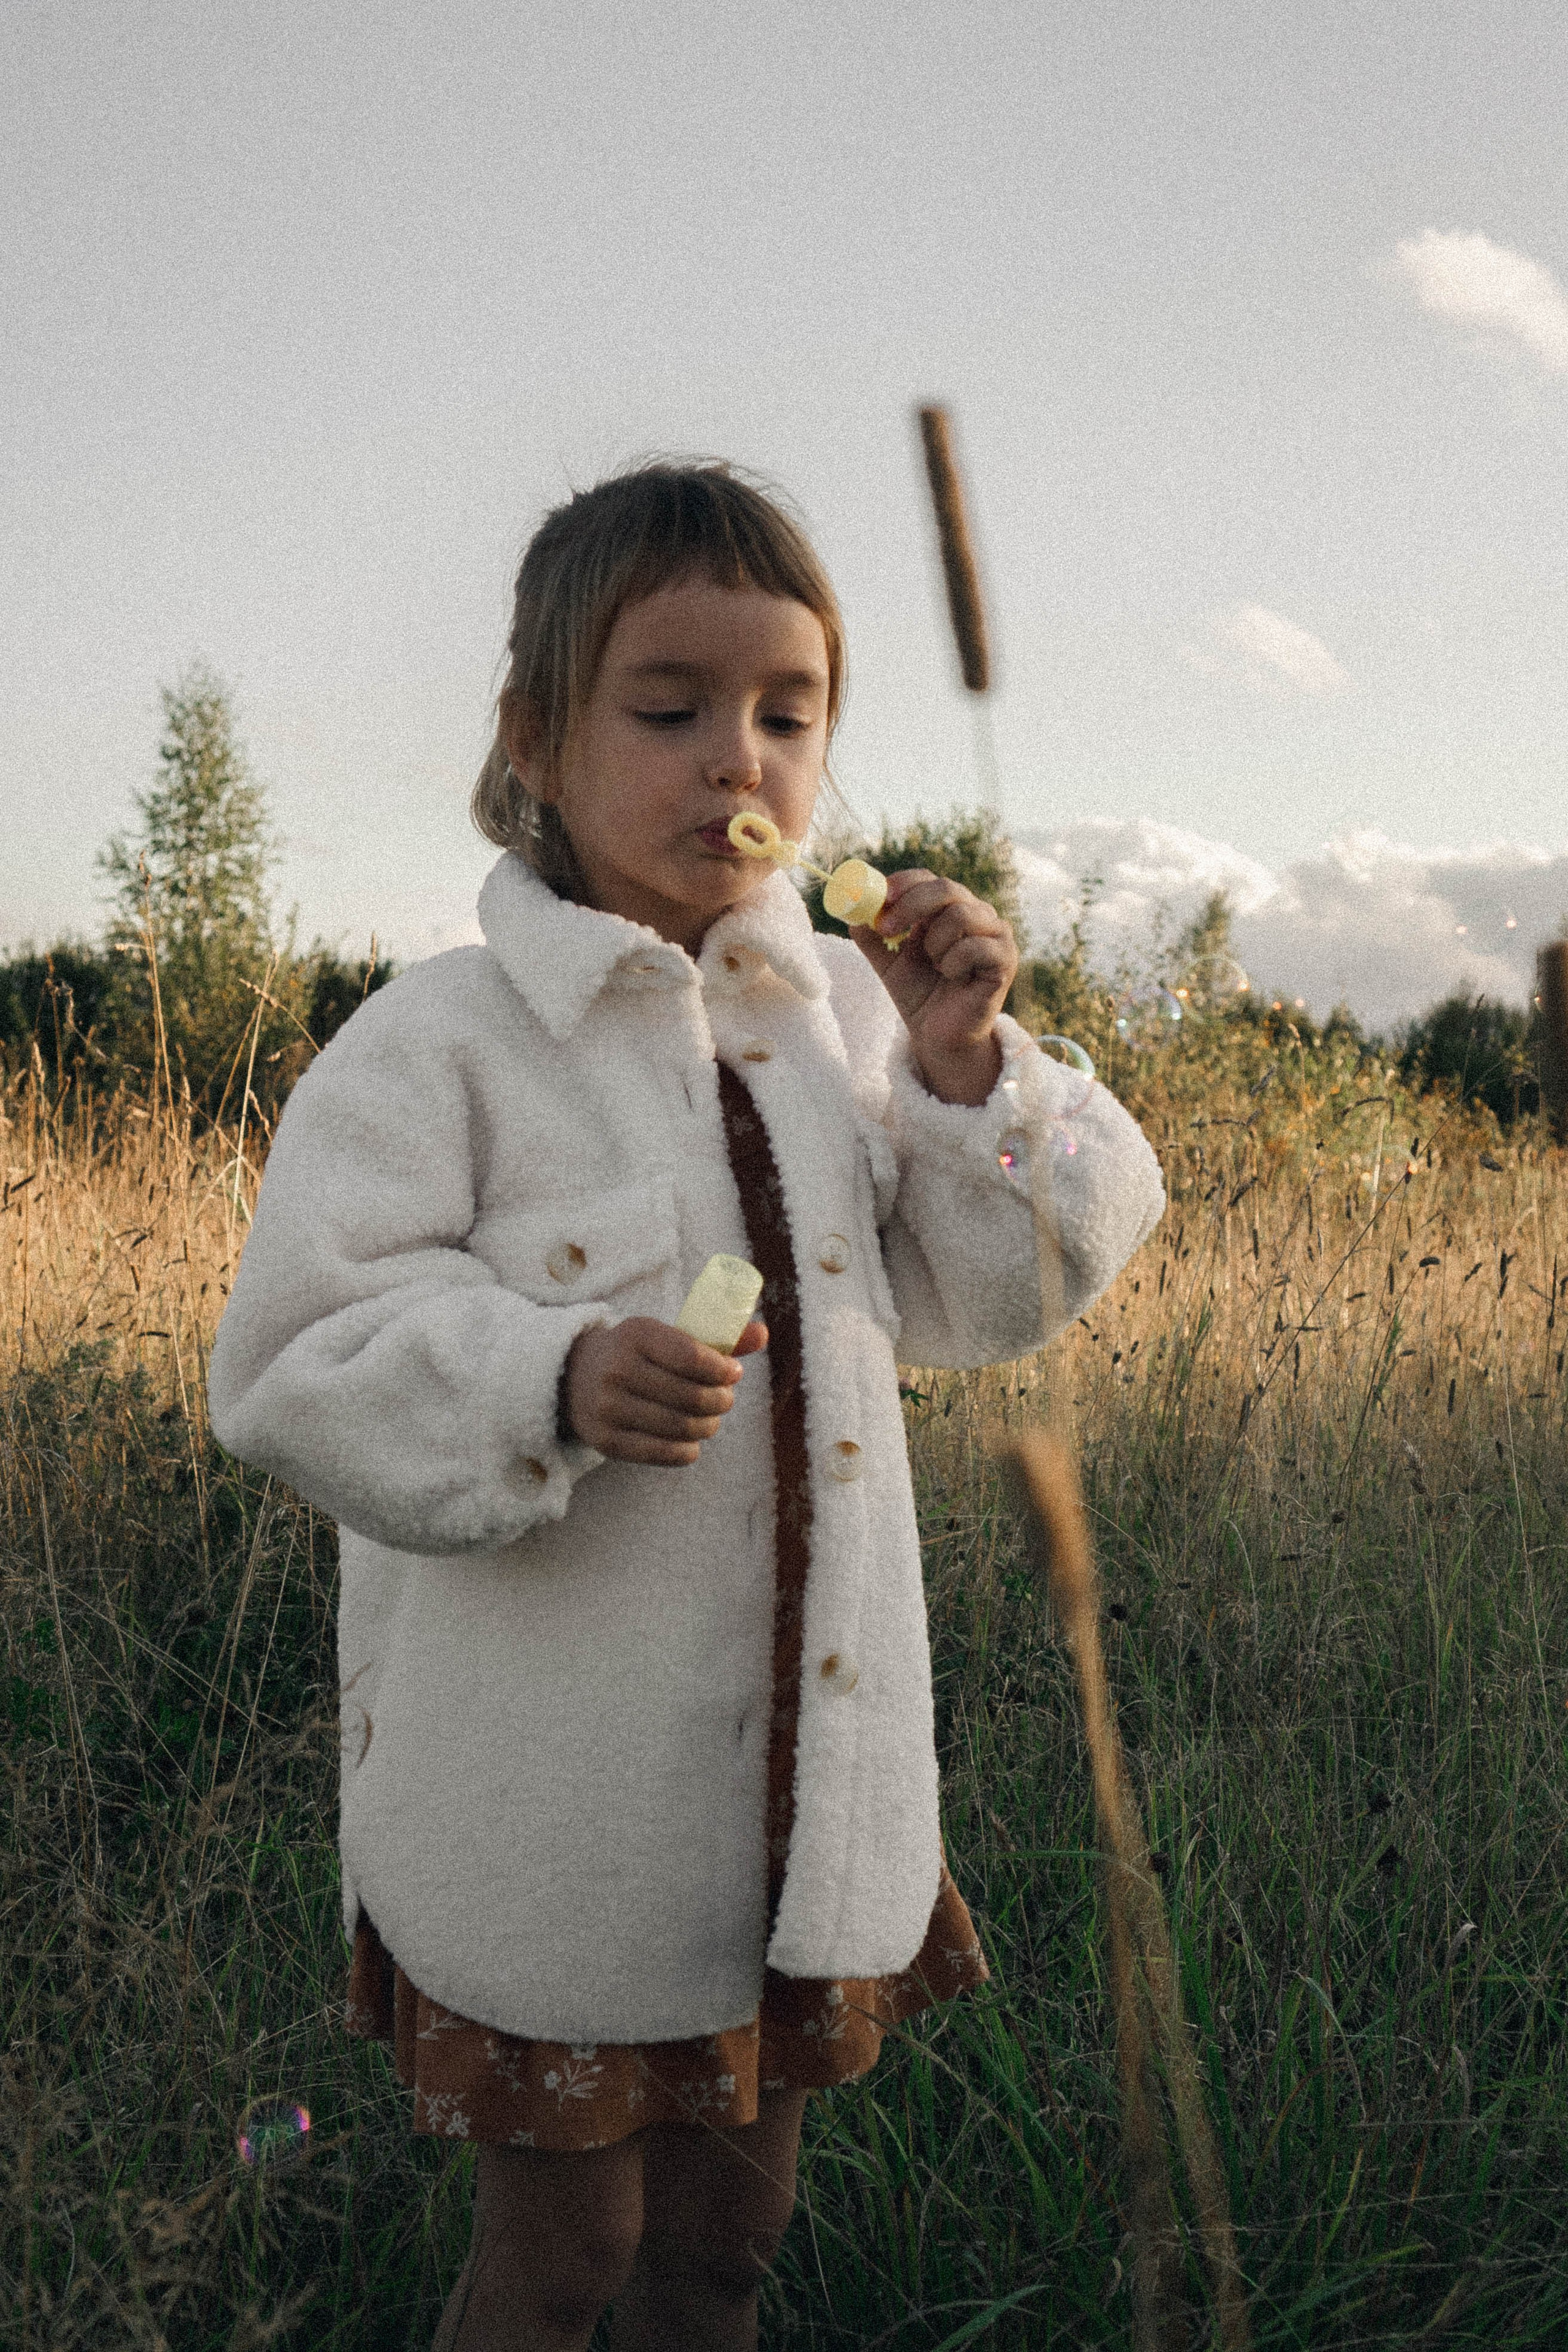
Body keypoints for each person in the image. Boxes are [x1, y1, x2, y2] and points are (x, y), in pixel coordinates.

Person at [208, 462, 1164, 2350]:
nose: (739, 754)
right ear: (534, 742)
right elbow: (295, 1363)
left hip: (803, 1807)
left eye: (789, 713)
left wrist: (976, 1067)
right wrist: (542, 1371)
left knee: (727, 2248)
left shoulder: (848, 1023)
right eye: (667, 708)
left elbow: (1006, 1294)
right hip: (558, 1812)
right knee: (563, 2260)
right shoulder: (443, 1045)